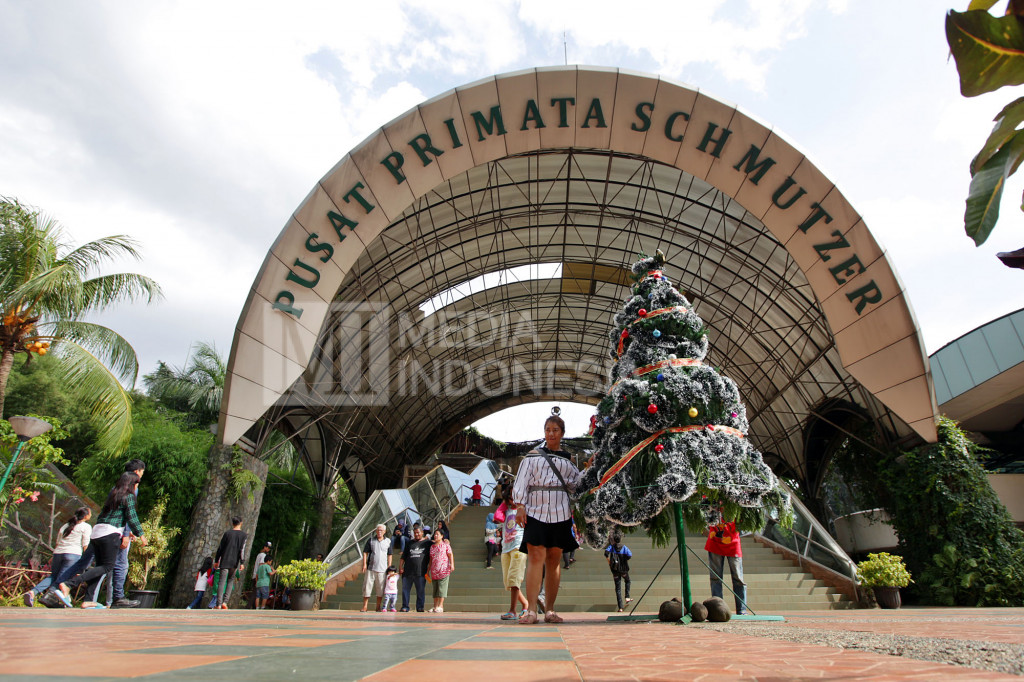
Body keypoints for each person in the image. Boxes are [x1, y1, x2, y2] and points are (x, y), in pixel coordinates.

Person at [512, 413, 585, 624]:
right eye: (548, 430)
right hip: (535, 509)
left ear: (562, 433)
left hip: (561, 510)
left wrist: (588, 471)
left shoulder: (568, 459)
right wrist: (520, 505)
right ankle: (532, 610)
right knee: (535, 556)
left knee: (554, 560)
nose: (551, 433)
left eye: (555, 430)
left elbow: (575, 485)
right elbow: (521, 481)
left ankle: (550, 609)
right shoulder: (533, 455)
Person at [57, 472, 147, 608]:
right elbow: (132, 517)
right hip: (110, 534)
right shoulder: (128, 496)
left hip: (97, 532)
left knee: (99, 568)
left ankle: (88, 600)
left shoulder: (114, 494)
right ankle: (69, 584)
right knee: (107, 567)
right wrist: (141, 534)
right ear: (132, 484)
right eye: (136, 484)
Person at [24, 506, 91, 607]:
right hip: (73, 554)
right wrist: (87, 559)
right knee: (62, 579)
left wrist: (53, 555)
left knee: (53, 576)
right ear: (86, 516)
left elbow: (58, 542)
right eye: (90, 513)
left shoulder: (66, 525)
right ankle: (48, 597)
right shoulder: (86, 527)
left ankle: (33, 592)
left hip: (58, 553)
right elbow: (85, 544)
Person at [110, 458, 145, 609]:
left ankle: (109, 598)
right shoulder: (132, 486)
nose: (142, 475)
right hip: (117, 532)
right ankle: (117, 598)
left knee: (106, 566)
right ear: (137, 472)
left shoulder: (117, 486)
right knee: (119, 565)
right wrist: (126, 533)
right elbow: (128, 512)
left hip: (108, 529)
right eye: (142, 472)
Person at [493, 488, 528, 620]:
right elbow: (497, 517)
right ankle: (525, 604)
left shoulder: (524, 509)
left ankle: (512, 610)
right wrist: (504, 503)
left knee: (514, 579)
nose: (513, 500)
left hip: (518, 546)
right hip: (506, 547)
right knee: (508, 581)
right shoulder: (506, 509)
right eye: (510, 497)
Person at [706, 515, 748, 615]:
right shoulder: (711, 501)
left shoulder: (736, 501)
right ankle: (718, 609)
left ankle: (742, 609)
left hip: (733, 542)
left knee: (738, 578)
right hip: (715, 542)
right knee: (715, 578)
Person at [214, 516, 247, 609]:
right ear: (241, 523)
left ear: (232, 523)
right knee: (230, 581)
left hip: (225, 560)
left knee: (222, 582)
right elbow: (242, 550)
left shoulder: (227, 533)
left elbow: (220, 548)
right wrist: (242, 562)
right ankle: (225, 602)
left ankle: (218, 604)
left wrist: (216, 560)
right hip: (234, 562)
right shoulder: (243, 535)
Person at [399, 523, 431, 612]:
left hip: (420, 572)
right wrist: (400, 567)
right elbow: (403, 557)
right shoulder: (409, 543)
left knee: (420, 591)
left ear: (422, 533)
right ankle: (405, 606)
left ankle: (420, 607)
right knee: (405, 591)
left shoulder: (427, 543)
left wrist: (446, 540)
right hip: (407, 572)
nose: (416, 534)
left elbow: (437, 543)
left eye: (418, 532)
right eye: (415, 532)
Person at [360, 523, 392, 612]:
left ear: (384, 531)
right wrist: (364, 564)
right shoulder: (371, 540)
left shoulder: (388, 541)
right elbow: (365, 552)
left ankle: (378, 606)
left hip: (383, 569)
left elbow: (389, 554)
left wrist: (389, 566)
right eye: (378, 530)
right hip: (371, 568)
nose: (379, 532)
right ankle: (365, 606)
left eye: (381, 530)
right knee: (367, 587)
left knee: (380, 589)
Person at [427, 528, 454, 613]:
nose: (435, 536)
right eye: (435, 534)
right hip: (434, 571)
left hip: (444, 570)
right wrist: (428, 570)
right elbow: (431, 559)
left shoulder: (446, 545)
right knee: (435, 589)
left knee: (442, 589)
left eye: (437, 534)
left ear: (442, 536)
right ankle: (435, 606)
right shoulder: (432, 547)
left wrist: (452, 564)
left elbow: (450, 555)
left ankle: (440, 606)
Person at [605, 532, 633, 612]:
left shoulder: (611, 547)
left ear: (614, 540)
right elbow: (630, 555)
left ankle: (620, 607)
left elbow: (606, 553)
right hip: (623, 569)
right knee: (627, 581)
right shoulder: (624, 547)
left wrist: (609, 562)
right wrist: (624, 559)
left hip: (615, 570)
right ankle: (627, 597)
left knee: (618, 588)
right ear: (620, 539)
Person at [249, 541, 271, 608]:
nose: (268, 549)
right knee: (257, 595)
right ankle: (249, 607)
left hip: (256, 576)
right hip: (259, 578)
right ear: (264, 547)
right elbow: (262, 565)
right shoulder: (263, 556)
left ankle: (254, 607)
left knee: (256, 594)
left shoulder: (259, 554)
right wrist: (271, 568)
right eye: (268, 548)